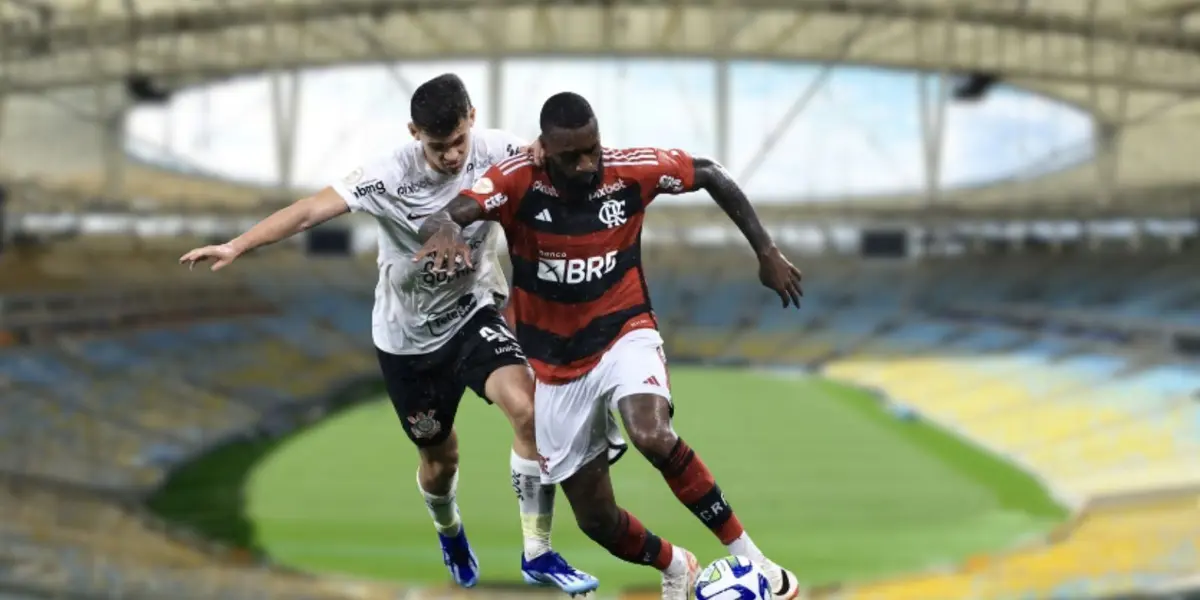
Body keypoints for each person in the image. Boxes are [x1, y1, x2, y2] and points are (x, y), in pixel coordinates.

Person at [177, 75, 600, 596]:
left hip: (473, 315)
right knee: (440, 462)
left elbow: (558, 155)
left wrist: (550, 152)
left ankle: (537, 550)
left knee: (528, 411)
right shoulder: (385, 175)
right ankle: (449, 531)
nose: (451, 156)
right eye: (437, 146)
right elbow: (311, 209)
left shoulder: (496, 149)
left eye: (458, 143)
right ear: (414, 132)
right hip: (407, 342)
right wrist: (238, 245)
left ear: (471, 117)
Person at [414, 91, 804, 600]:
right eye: (573, 155)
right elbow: (449, 213)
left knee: (651, 433)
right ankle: (676, 565)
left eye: (594, 147)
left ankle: (755, 561)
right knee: (596, 520)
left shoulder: (631, 172)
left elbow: (709, 172)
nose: (589, 162)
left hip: (625, 332)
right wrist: (443, 228)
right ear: (545, 153)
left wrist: (766, 249)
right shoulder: (516, 182)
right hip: (556, 370)